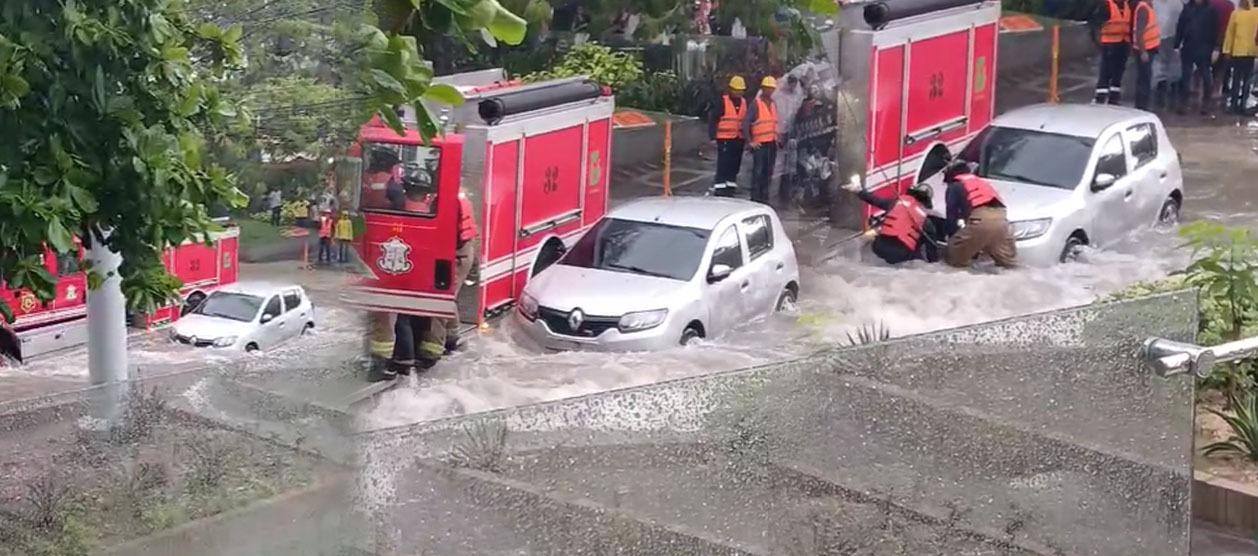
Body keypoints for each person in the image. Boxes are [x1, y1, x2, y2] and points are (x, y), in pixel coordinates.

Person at [427, 190, 479, 356]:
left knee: (444, 298)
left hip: (456, 256)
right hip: (463, 253)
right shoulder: (459, 196)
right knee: (448, 297)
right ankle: (451, 337)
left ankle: (444, 343)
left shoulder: (448, 201)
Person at [841, 180, 943, 264]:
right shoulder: (926, 221)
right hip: (901, 255)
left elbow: (874, 199)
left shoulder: (895, 203)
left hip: (879, 247)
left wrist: (858, 190)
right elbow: (931, 252)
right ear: (927, 202)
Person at [942, 161, 1018, 269]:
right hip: (1002, 221)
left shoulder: (955, 186)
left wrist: (952, 240)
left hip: (982, 221)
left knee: (953, 260)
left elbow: (951, 218)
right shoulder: (981, 182)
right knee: (1009, 266)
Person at [1177, 0, 1221, 114]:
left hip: (1204, 48)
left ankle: (1206, 103)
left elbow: (1216, 29)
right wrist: (1176, 45)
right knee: (1185, 77)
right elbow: (1180, 26)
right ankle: (1183, 103)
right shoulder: (1187, 8)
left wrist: (1216, 48)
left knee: (1206, 77)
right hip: (1188, 46)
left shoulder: (1211, 10)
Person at [744, 76, 781, 204]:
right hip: (760, 144)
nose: (770, 91)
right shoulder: (756, 104)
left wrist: (778, 137)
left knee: (768, 172)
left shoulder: (773, 104)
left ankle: (764, 197)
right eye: (768, 88)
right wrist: (750, 142)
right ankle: (755, 198)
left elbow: (774, 123)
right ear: (763, 88)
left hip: (771, 143)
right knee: (758, 172)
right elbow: (746, 123)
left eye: (772, 89)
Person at [709, 75, 748, 197]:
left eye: (741, 90)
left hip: (738, 138)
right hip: (724, 138)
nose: (739, 92)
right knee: (723, 164)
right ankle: (720, 188)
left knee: (734, 164)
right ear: (730, 89)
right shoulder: (723, 101)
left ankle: (730, 186)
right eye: (736, 90)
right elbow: (713, 119)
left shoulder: (744, 102)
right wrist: (712, 137)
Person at [1092, 0, 1133, 104]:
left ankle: (1114, 98)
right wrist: (1099, 43)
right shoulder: (1106, 5)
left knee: (1118, 72)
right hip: (1109, 43)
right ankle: (1100, 98)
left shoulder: (1127, 4)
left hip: (1123, 43)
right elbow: (1095, 25)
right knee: (1106, 72)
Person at [1222, 0, 1258, 114]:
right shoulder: (1256, 13)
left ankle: (1234, 104)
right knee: (1247, 79)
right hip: (1251, 51)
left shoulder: (1236, 14)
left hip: (1238, 51)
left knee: (1237, 79)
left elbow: (1230, 33)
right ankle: (1243, 104)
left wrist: (1227, 50)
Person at [1153, 0, 1186, 109]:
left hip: (1173, 38)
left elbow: (1181, 23)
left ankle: (1173, 93)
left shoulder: (1177, 4)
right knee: (1158, 67)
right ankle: (1160, 94)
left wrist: (1179, 41)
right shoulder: (1154, 3)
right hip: (1156, 38)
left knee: (1173, 67)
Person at [1131, 0, 1163, 110]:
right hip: (1145, 50)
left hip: (1150, 48)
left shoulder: (1147, 7)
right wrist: (1143, 51)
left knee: (1145, 78)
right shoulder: (1143, 9)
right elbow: (1139, 32)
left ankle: (1142, 104)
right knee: (1144, 79)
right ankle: (1141, 106)